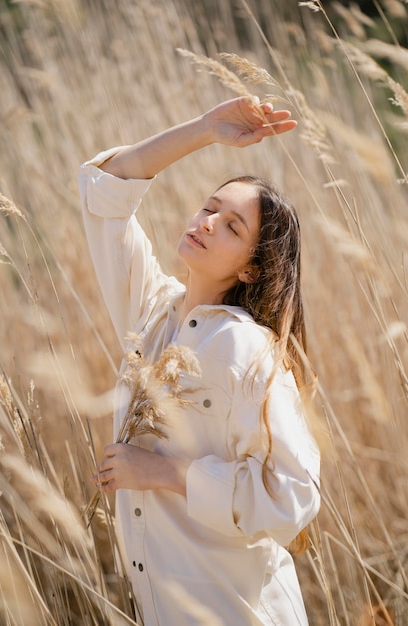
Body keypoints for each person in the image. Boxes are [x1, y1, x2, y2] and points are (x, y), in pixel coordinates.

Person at [79, 96, 320, 626]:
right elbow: (106, 193)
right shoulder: (152, 313)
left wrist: (163, 472)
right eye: (210, 208)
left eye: (233, 227)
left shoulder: (246, 349)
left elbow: (295, 495)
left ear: (253, 271)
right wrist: (205, 129)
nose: (209, 223)